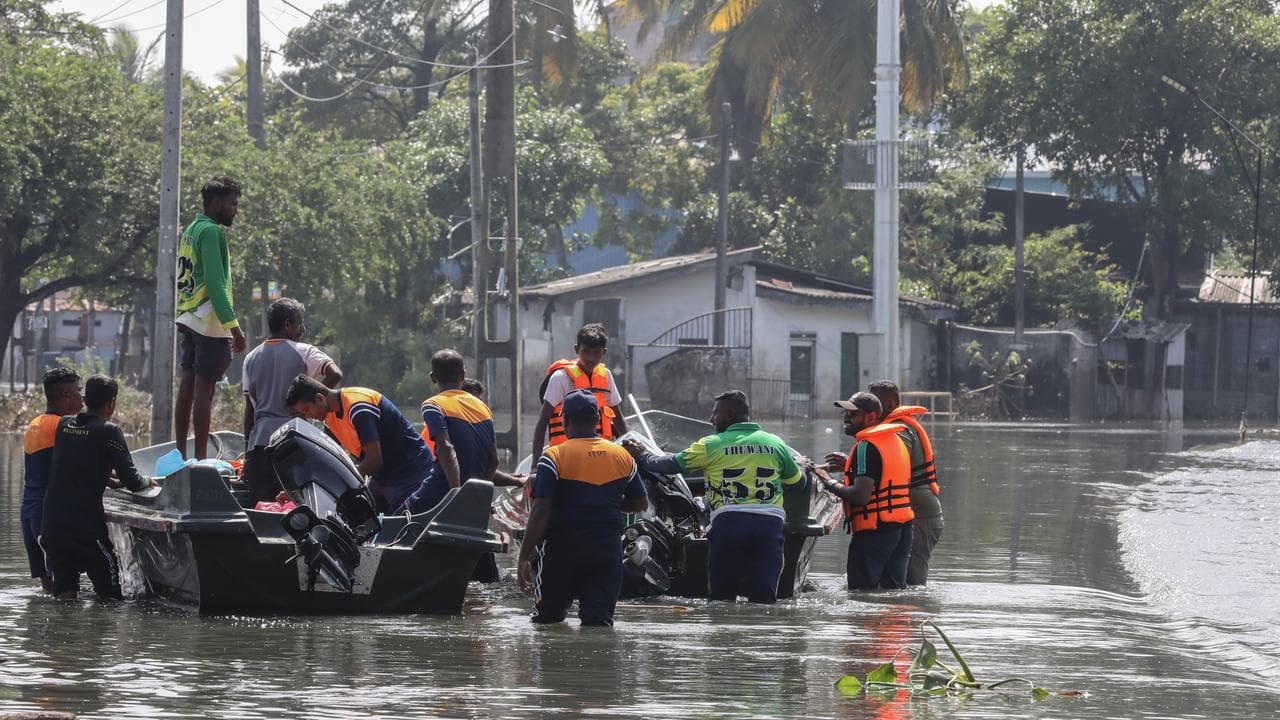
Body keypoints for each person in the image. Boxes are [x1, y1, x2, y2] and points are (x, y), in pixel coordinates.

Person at [625, 390, 803, 603]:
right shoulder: (775, 443)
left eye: (715, 413)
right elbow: (798, 483)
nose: (711, 419)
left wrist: (642, 453)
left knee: (721, 597)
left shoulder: (711, 444)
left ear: (729, 415)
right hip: (769, 525)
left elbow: (668, 465)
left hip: (729, 523)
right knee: (764, 598)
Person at [517, 390, 648, 626]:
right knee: (598, 625)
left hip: (561, 552)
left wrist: (524, 556)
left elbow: (540, 511)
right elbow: (640, 503)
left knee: (547, 621)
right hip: (607, 552)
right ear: (598, 419)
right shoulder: (622, 457)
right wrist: (605, 505)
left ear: (565, 420)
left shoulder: (554, 456)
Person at [40, 375, 155, 600]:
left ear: (85, 398)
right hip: (85, 529)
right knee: (110, 596)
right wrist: (147, 481)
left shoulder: (64, 425)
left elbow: (76, 464)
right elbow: (132, 480)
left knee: (64, 597)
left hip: (52, 527)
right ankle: (103, 634)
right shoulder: (109, 431)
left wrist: (106, 476)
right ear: (112, 402)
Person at [285, 376, 441, 514]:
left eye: (307, 410)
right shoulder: (329, 418)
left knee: (397, 528)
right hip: (384, 477)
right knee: (356, 517)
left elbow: (374, 460)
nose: (308, 416)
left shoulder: (358, 407)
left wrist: (340, 485)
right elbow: (325, 458)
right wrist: (299, 485)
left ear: (319, 398)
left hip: (411, 473)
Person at [241, 298, 343, 502]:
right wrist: (309, 406)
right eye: (299, 322)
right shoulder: (304, 351)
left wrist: (247, 451)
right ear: (287, 324)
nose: (303, 328)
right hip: (296, 441)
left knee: (263, 507)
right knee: (300, 505)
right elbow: (335, 373)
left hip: (260, 445)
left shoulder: (250, 358)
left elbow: (249, 411)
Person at [175, 176, 247, 460]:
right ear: (216, 203)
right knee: (204, 391)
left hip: (190, 317)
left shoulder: (191, 229)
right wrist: (235, 327)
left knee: (188, 387)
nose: (235, 210)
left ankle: (181, 455)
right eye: (232, 204)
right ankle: (202, 460)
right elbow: (217, 284)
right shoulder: (213, 233)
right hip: (209, 321)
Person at [815, 392, 914, 590]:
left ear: (871, 416)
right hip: (902, 528)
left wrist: (828, 481)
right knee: (893, 593)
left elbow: (860, 496)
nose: (846, 419)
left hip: (876, 531)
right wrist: (847, 468)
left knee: (860, 593)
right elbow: (882, 475)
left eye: (853, 414)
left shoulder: (866, 446)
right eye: (845, 413)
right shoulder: (895, 439)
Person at [867, 380, 944, 585]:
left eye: (877, 401)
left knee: (912, 582)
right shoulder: (899, 426)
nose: (872, 407)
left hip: (922, 517)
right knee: (901, 580)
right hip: (920, 513)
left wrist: (860, 469)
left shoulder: (898, 429)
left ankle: (915, 615)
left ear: (892, 403)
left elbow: (894, 460)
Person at [20, 368, 83, 592]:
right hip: (49, 516)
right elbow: (81, 469)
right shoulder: (64, 425)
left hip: (29, 514)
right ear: (65, 395)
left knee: (49, 591)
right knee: (67, 592)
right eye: (78, 390)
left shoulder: (34, 424)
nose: (82, 396)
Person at [530, 323, 628, 462]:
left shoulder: (606, 375)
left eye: (596, 352)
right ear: (577, 349)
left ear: (604, 352)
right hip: (565, 456)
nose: (591, 358)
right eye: (586, 351)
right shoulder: (561, 377)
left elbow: (618, 418)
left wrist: (632, 453)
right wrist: (535, 463)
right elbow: (542, 421)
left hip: (598, 454)